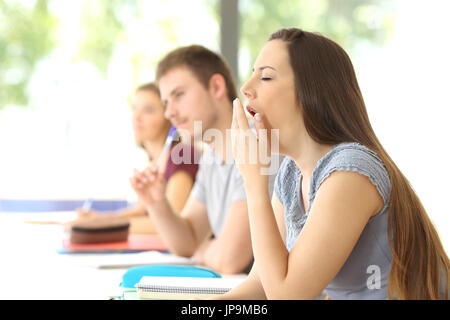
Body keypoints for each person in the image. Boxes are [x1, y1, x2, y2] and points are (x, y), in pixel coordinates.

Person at [221, 28, 449, 299]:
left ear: (310, 93)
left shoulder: (350, 171)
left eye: (266, 76)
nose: (246, 88)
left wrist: (254, 183)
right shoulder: (290, 175)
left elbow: (287, 296)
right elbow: (261, 284)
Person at [130, 45, 280, 274]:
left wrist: (201, 251)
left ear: (216, 87)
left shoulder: (256, 143)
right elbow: (186, 243)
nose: (169, 113)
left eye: (178, 95)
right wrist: (156, 203)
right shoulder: (211, 156)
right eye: (165, 103)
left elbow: (229, 260)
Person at [74, 83, 199, 234]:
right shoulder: (155, 161)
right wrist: (98, 218)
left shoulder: (183, 156)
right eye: (134, 108)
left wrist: (99, 225)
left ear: (168, 116)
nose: (136, 118)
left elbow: (173, 224)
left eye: (148, 110)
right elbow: (142, 210)